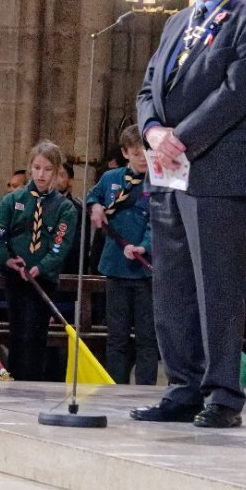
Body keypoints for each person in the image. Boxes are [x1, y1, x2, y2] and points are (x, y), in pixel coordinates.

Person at [132, 0, 246, 429]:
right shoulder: (177, 22)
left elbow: (237, 93)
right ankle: (182, 386)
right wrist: (152, 131)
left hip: (216, 172)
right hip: (168, 172)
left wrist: (181, 138)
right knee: (171, 285)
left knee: (215, 285)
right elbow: (149, 85)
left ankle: (222, 394)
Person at [0, 141, 76, 381]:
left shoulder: (64, 207)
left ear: (57, 172)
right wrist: (7, 259)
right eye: (36, 168)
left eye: (47, 169)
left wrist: (42, 266)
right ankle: (14, 379)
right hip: (16, 275)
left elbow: (61, 244)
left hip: (43, 278)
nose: (41, 174)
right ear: (30, 169)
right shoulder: (13, 200)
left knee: (36, 332)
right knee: (18, 331)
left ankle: (34, 381)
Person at [87, 125, 158, 386]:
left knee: (146, 337)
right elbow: (93, 196)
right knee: (116, 335)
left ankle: (146, 390)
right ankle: (114, 387)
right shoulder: (111, 178)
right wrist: (95, 207)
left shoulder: (158, 182)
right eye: (137, 153)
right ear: (126, 153)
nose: (143, 158)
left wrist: (145, 245)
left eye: (147, 152)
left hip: (144, 269)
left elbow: (160, 220)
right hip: (116, 266)